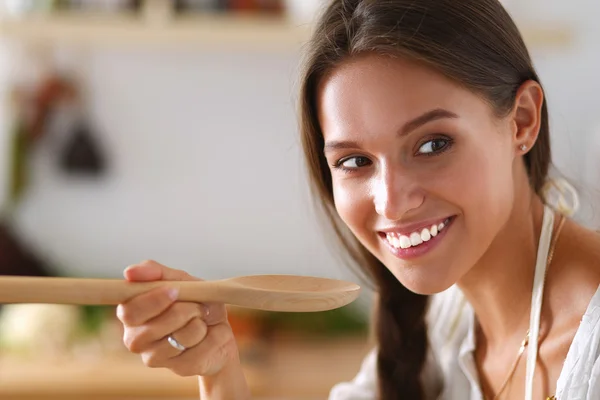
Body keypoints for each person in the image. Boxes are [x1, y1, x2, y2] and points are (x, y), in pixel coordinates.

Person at [116, 0, 600, 399]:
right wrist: (218, 368)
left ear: (521, 121)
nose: (391, 202)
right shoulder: (442, 321)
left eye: (433, 145)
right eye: (355, 161)